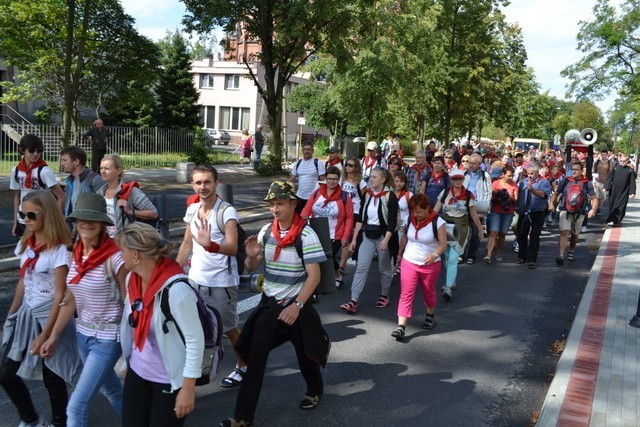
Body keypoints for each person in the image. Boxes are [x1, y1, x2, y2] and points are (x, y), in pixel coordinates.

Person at [220, 181, 329, 427]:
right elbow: (252, 268)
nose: (274, 209)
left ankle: (314, 389)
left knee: (306, 356)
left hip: (297, 308)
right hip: (270, 306)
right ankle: (242, 418)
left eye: (279, 203)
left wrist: (297, 306)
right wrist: (250, 256)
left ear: (293, 204)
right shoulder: (267, 231)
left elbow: (314, 276)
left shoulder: (306, 235)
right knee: (254, 360)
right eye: (271, 204)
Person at [41, 192, 127, 426]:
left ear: (102, 223)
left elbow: (131, 302)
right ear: (75, 221)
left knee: (77, 405)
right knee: (113, 391)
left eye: (93, 219)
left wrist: (135, 349)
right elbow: (70, 299)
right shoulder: (76, 254)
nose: (86, 223)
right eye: (81, 218)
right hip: (83, 335)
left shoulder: (115, 258)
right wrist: (54, 335)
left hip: (108, 338)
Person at [1, 190, 78, 427]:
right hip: (27, 314)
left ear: (47, 214)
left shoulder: (60, 250)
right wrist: (11, 315)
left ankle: (59, 423)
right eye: (22, 214)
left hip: (50, 315)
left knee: (53, 377)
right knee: (6, 373)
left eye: (31, 215)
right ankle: (31, 419)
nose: (26, 219)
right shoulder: (27, 243)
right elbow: (24, 281)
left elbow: (60, 294)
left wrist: (46, 334)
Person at [117, 223, 204, 427]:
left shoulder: (177, 291)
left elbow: (195, 341)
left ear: (136, 254)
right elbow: (132, 324)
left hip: (168, 381)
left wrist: (188, 388)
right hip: (138, 373)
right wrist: (128, 362)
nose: (120, 256)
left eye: (123, 250)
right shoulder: (133, 279)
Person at [175, 165, 246, 388]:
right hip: (196, 279)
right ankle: (194, 370)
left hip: (222, 282)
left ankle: (244, 365)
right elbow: (186, 244)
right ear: (192, 185)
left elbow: (233, 247)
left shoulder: (226, 212)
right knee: (193, 328)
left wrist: (211, 245)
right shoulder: (192, 210)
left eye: (207, 182)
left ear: (216, 183)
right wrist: (174, 272)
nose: (202, 187)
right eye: (198, 183)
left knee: (228, 328)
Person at [340, 167, 398, 314]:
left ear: (383, 179)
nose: (371, 179)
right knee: (361, 267)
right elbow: (361, 218)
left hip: (383, 236)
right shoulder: (367, 195)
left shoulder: (390, 196)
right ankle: (353, 300)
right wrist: (354, 238)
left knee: (383, 269)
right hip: (368, 235)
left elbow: (392, 221)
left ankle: (384, 295)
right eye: (370, 177)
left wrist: (387, 239)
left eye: (374, 177)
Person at [392, 194, 447, 340]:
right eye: (413, 212)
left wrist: (434, 255)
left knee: (428, 291)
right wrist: (399, 255)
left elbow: (443, 244)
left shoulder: (438, 222)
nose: (416, 215)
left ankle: (430, 315)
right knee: (406, 293)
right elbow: (404, 237)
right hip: (409, 260)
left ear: (427, 208)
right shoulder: (410, 219)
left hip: (430, 264)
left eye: (419, 212)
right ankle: (401, 327)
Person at [432, 167, 483, 302]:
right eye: (455, 179)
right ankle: (451, 281)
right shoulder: (445, 193)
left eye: (460, 179)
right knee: (447, 256)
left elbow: (473, 214)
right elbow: (435, 210)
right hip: (445, 226)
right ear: (451, 180)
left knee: (453, 258)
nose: (458, 181)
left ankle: (448, 287)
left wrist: (480, 230)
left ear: (463, 179)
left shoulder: (468, 196)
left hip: (460, 228)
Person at [302, 166, 354, 288]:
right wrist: (301, 221)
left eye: (335, 179)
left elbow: (349, 218)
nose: (332, 181)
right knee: (315, 258)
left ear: (339, 180)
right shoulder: (316, 193)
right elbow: (307, 209)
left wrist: (346, 236)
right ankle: (315, 284)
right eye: (329, 178)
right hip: (316, 231)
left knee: (327, 257)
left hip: (335, 234)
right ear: (325, 178)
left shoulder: (344, 197)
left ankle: (335, 275)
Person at [10, 134, 65, 238]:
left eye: (39, 151)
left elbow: (61, 196)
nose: (35, 154)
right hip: (23, 219)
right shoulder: (16, 171)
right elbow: (17, 196)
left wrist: (51, 220)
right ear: (22, 150)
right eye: (31, 150)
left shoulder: (44, 171)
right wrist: (15, 223)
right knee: (24, 252)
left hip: (41, 220)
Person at [96, 153, 158, 237]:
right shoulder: (99, 193)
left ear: (118, 171)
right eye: (101, 168)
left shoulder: (131, 191)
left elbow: (153, 213)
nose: (102, 172)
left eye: (107, 168)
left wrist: (131, 211)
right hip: (105, 243)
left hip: (125, 244)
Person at [548, 162, 598, 266]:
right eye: (573, 169)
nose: (574, 171)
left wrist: (593, 209)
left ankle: (571, 250)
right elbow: (556, 193)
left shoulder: (586, 183)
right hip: (565, 210)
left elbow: (594, 197)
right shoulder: (566, 180)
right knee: (564, 232)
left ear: (581, 171)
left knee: (575, 234)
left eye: (577, 169)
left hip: (579, 212)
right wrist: (551, 204)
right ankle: (561, 255)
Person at [514, 163, 552, 269]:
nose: (530, 176)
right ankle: (522, 256)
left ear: (537, 173)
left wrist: (532, 189)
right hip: (524, 212)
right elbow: (519, 195)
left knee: (535, 236)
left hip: (537, 212)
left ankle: (532, 259)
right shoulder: (523, 182)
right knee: (522, 235)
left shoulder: (544, 182)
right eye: (528, 173)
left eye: (532, 173)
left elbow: (543, 195)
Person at [338, 157, 366, 275]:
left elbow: (364, 199)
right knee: (342, 237)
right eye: (347, 165)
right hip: (342, 211)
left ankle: (342, 266)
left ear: (356, 168)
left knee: (348, 238)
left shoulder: (361, 182)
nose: (348, 167)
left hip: (355, 212)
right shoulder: (341, 180)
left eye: (351, 165)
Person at [461, 153, 492, 264]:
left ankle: (471, 255)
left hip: (478, 206)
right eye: (470, 163)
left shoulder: (485, 176)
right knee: (463, 232)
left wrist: (483, 210)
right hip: (464, 206)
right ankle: (461, 254)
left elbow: (488, 193)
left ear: (479, 164)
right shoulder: (464, 174)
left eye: (474, 163)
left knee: (475, 233)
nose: (471, 165)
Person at [485, 165, 517, 263]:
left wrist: (508, 197)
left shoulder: (514, 185)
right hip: (496, 210)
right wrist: (498, 195)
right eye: (508, 175)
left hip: (508, 212)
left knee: (502, 234)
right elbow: (489, 195)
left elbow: (516, 200)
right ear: (502, 175)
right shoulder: (496, 183)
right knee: (493, 232)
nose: (510, 178)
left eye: (512, 176)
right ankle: (489, 255)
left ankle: (499, 252)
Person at [60, 145, 104, 217]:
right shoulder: (69, 182)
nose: (62, 164)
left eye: (65, 160)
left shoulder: (95, 180)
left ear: (76, 161)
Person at [290, 141, 326, 213]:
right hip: (299, 197)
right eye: (305, 149)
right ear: (302, 151)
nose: (307, 151)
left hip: (313, 197)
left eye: (309, 149)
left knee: (311, 220)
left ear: (312, 151)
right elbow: (291, 180)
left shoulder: (318, 163)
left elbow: (324, 181)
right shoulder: (298, 163)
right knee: (298, 219)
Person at [605, 154, 636, 226]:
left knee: (621, 206)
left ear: (627, 161)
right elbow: (610, 177)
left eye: (624, 161)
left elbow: (632, 182)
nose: (622, 162)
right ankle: (612, 218)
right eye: (621, 161)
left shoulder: (630, 170)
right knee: (612, 205)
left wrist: (632, 192)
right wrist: (606, 187)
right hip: (614, 190)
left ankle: (617, 221)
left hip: (624, 191)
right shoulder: (615, 168)